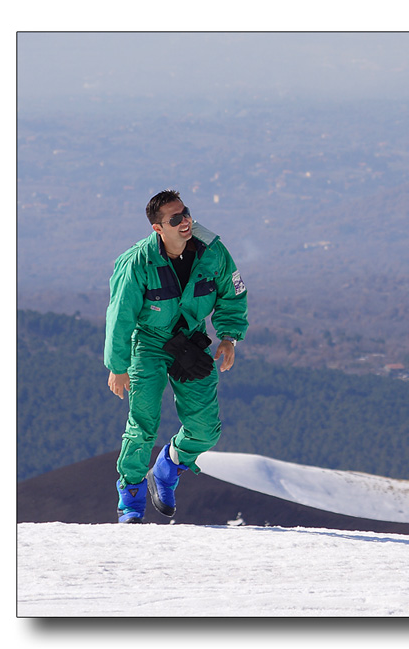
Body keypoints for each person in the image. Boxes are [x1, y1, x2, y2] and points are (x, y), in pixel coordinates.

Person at [104, 190, 248, 522]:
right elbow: (120, 316)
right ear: (158, 228)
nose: (185, 222)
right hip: (149, 345)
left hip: (190, 342)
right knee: (142, 425)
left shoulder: (213, 252)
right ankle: (131, 500)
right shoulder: (137, 262)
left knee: (206, 428)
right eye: (174, 219)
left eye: (185, 213)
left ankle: (168, 467)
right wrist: (118, 365)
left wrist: (228, 337)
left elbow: (233, 294)